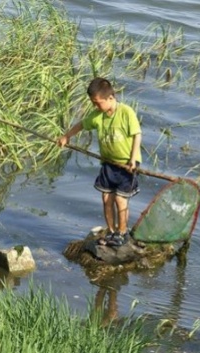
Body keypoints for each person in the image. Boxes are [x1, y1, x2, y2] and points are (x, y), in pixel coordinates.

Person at [57, 77, 142, 247]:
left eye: (98, 103)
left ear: (111, 98)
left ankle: (122, 232)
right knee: (106, 198)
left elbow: (136, 135)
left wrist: (133, 159)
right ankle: (111, 231)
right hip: (108, 163)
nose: (96, 107)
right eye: (93, 103)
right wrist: (66, 136)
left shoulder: (126, 112)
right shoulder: (97, 116)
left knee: (120, 199)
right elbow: (81, 125)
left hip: (126, 164)